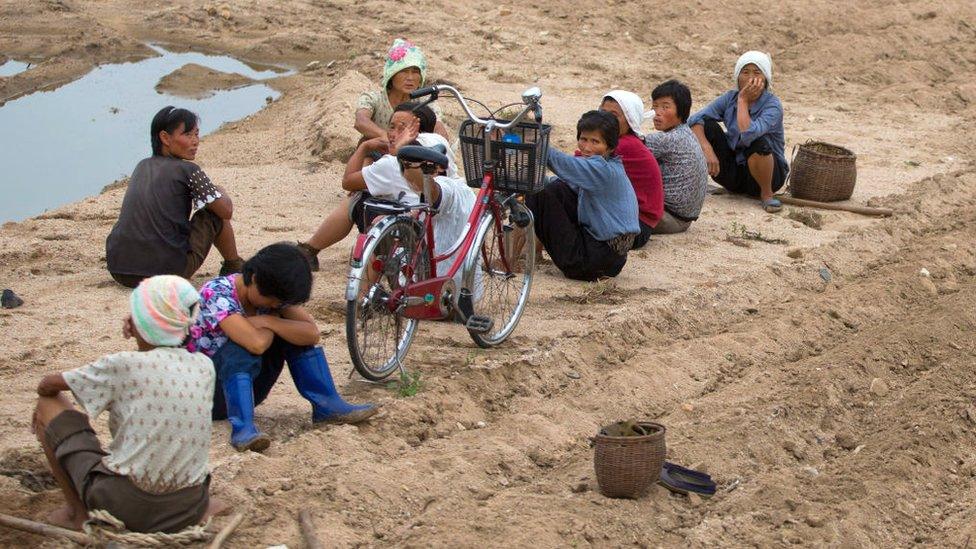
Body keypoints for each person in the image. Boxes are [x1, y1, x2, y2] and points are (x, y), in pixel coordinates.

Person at [31, 276, 220, 532]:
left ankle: (76, 512)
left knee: (47, 405)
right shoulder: (205, 366)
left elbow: (47, 385)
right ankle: (194, 509)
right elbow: (158, 381)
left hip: (122, 504)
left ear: (139, 324)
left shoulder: (122, 365)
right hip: (189, 507)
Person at [187, 243, 378, 452]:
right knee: (240, 348)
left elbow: (311, 334)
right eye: (273, 301)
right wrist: (275, 321)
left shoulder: (273, 297)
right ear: (254, 278)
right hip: (206, 395)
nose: (275, 305)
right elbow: (256, 344)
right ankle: (242, 429)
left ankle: (327, 406)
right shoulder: (217, 293)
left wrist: (271, 321)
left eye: (280, 304)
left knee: (292, 335)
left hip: (248, 389)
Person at [297, 103, 456, 271]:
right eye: (391, 127)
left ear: (416, 132)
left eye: (402, 129)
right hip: (446, 228)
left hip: (414, 233)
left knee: (357, 198)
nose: (393, 135)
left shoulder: (391, 164)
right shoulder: (440, 144)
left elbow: (348, 182)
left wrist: (365, 147)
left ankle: (310, 249)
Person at [106, 106, 244, 288]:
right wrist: (220, 191)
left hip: (119, 270)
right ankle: (234, 266)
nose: (195, 141)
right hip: (165, 275)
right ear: (164, 137)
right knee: (212, 213)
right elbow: (225, 211)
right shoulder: (189, 170)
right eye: (187, 135)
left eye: (196, 134)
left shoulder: (141, 166)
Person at [523, 110, 639, 281]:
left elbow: (565, 164)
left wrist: (536, 143)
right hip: (610, 258)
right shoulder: (607, 166)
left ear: (610, 147)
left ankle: (533, 257)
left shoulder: (602, 170)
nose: (587, 147)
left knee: (537, 194)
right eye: (583, 139)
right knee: (556, 188)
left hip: (595, 260)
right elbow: (561, 182)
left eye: (595, 141)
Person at [688, 51, 788, 213]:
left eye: (757, 73)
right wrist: (707, 149)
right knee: (707, 126)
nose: (750, 78)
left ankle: (767, 195)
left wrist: (743, 100)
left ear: (765, 79)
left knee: (758, 141)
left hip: (767, 177)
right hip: (734, 174)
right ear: (737, 77)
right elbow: (694, 120)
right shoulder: (729, 98)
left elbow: (748, 133)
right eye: (745, 72)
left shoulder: (773, 105)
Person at [599, 90, 663, 249]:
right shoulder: (617, 140)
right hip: (629, 218)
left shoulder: (624, 145)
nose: (606, 119)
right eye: (602, 112)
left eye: (614, 115)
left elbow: (580, 165)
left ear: (629, 120)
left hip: (636, 226)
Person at [644, 80, 709, 233]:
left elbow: (624, 152)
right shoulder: (686, 133)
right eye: (655, 107)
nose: (657, 113)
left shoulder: (666, 139)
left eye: (665, 107)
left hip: (667, 218)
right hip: (684, 219)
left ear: (681, 111)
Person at [355, 38, 450, 143]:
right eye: (404, 71)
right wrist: (388, 138)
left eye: (415, 72)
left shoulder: (425, 101)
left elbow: (439, 129)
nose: (410, 77)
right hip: (378, 149)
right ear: (391, 75)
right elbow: (361, 121)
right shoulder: (374, 98)